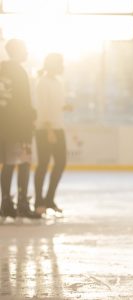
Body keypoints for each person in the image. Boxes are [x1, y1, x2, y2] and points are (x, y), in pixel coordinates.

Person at [0, 39, 39, 221]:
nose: (27, 53)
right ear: (16, 51)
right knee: (24, 163)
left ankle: (6, 202)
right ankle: (22, 203)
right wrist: (30, 119)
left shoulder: (2, 69)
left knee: (7, 164)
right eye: (24, 49)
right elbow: (24, 102)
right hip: (20, 126)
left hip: (4, 126)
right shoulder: (20, 72)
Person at [34, 53, 71, 216]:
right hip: (45, 129)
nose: (62, 65)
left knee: (60, 163)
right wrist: (48, 130)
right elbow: (42, 108)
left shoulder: (58, 82)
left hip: (58, 127)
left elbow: (56, 104)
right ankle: (38, 201)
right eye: (60, 63)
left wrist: (65, 107)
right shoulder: (42, 82)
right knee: (43, 164)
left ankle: (49, 199)